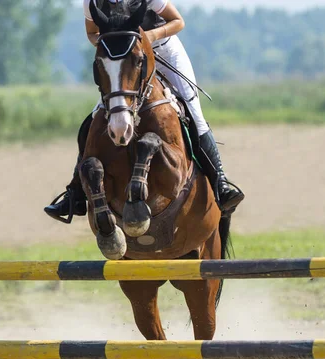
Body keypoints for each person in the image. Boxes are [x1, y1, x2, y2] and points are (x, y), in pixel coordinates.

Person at [44, 0, 244, 222]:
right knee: (96, 117)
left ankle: (220, 184)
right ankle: (76, 194)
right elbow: (92, 33)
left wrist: (149, 37)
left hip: (163, 50)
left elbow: (178, 21)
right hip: (124, 58)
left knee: (192, 110)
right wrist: (108, 45)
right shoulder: (92, 1)